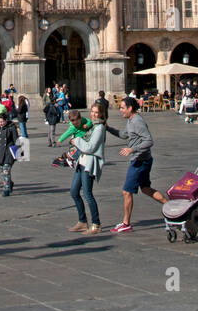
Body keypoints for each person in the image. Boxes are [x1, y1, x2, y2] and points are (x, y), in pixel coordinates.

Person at [106, 97, 168, 233]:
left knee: (127, 191)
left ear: (130, 108)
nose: (120, 110)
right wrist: (108, 128)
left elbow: (149, 140)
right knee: (145, 188)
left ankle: (126, 223)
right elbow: (125, 135)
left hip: (140, 161)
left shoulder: (137, 121)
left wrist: (132, 149)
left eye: (122, 108)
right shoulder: (131, 120)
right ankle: (170, 207)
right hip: (143, 159)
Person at [69, 103, 106, 234]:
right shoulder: (92, 126)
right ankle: (82, 221)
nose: (94, 114)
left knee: (87, 194)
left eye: (96, 112)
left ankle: (96, 224)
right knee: (74, 191)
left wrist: (77, 140)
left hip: (89, 164)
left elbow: (90, 148)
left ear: (101, 114)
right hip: (81, 161)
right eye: (92, 111)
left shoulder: (100, 128)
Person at [0, 110, 21, 196]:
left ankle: (6, 189)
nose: (0, 123)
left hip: (9, 152)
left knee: (6, 171)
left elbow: (16, 140)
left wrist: (18, 152)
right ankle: (9, 183)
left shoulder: (12, 127)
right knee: (2, 172)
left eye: (2, 121)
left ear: (6, 120)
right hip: (0, 152)